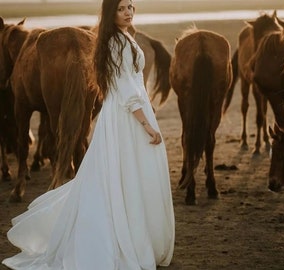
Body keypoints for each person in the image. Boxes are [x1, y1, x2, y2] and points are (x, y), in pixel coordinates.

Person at [2, 0, 175, 269]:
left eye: (130, 6)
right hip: (128, 116)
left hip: (130, 111)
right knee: (124, 175)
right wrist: (146, 124)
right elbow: (126, 89)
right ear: (110, 13)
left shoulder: (123, 37)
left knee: (126, 175)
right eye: (121, 8)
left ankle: (133, 230)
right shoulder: (115, 42)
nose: (128, 12)